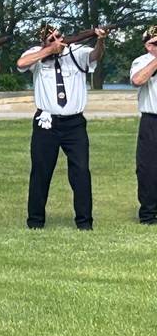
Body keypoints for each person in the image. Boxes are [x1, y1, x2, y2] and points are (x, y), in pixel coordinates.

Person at [16, 22, 107, 230]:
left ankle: (85, 222)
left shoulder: (75, 51)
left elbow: (94, 56)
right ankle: (35, 221)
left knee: (81, 171)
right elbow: (21, 63)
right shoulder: (37, 54)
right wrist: (48, 50)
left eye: (59, 36)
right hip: (46, 121)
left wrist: (100, 40)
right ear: (43, 42)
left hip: (74, 122)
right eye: (51, 38)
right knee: (41, 170)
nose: (58, 41)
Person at [129, 25, 157, 225]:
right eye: (155, 43)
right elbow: (138, 80)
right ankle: (148, 213)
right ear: (148, 45)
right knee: (148, 168)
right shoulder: (142, 61)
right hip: (152, 121)